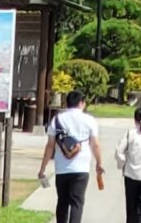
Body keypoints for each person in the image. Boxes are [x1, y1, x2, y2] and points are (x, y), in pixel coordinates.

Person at [38, 86, 103, 223]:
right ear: (81, 103)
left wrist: (42, 168)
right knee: (77, 203)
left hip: (62, 167)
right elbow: (95, 144)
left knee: (62, 202)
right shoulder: (89, 120)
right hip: (81, 168)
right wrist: (99, 162)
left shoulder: (56, 120)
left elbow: (50, 145)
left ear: (67, 103)